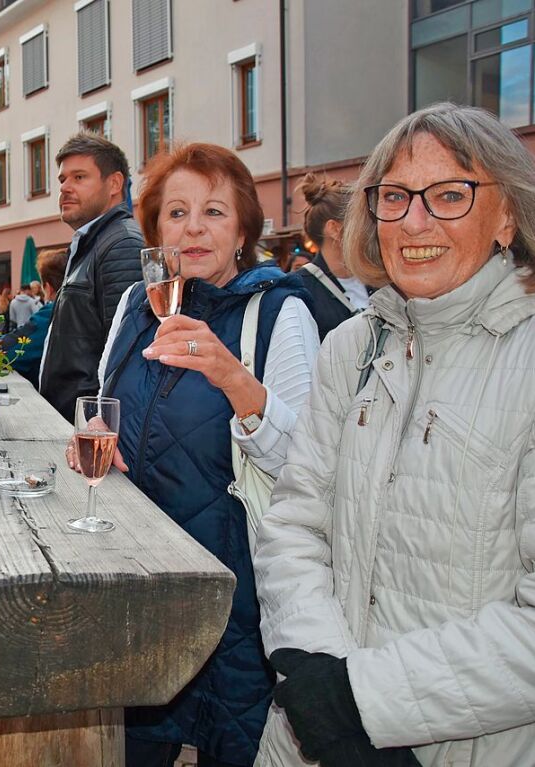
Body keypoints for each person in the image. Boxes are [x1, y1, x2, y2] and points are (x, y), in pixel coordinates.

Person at [253, 103, 535, 767]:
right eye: (393, 196)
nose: (413, 221)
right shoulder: (349, 345)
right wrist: (323, 688)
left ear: (506, 217)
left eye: (448, 195)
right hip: (307, 737)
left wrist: (364, 701)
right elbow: (294, 526)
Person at [83, 142, 319, 767]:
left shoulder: (278, 311)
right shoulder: (138, 306)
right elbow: (106, 403)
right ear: (156, 229)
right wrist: (97, 443)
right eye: (176, 212)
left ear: (242, 230)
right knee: (133, 737)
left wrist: (234, 379)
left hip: (235, 586)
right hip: (139, 575)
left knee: (232, 740)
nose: (193, 228)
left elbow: (308, 457)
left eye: (214, 212)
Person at [39, 132, 144, 421]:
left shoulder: (122, 244)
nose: (65, 188)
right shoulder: (92, 242)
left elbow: (128, 357)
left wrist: (100, 425)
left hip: (90, 428)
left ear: (114, 184)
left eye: (79, 177)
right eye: (62, 180)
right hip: (72, 421)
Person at [295, 174, 371, 339]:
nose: (370, 228)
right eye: (361, 220)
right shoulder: (298, 291)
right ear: (335, 229)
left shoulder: (377, 278)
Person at [2, 248, 67, 388]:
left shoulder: (53, 313)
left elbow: (11, 352)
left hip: (57, 401)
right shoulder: (91, 307)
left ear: (48, 288)